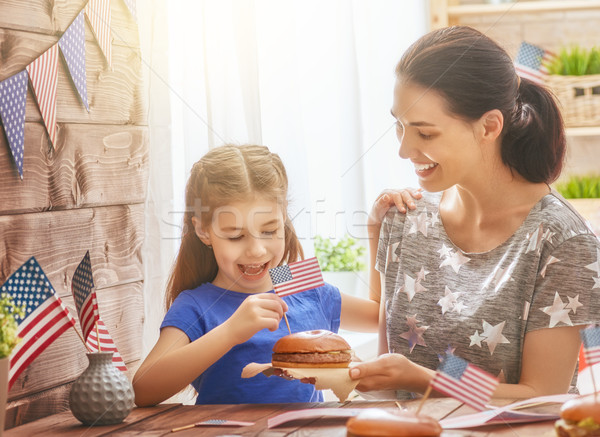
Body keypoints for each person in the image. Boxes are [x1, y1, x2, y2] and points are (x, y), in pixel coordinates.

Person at [349, 26, 600, 400]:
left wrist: (428, 379)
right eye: (399, 127)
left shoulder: (563, 242)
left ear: (489, 126)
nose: (404, 150)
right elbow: (389, 366)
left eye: (425, 134)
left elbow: (542, 395)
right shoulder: (403, 217)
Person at [133, 144, 378, 407]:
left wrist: (376, 232)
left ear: (283, 218)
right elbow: (143, 389)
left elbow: (379, 316)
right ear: (204, 230)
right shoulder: (196, 302)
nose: (256, 250)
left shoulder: (295, 276)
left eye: (270, 231)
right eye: (235, 236)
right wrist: (231, 332)